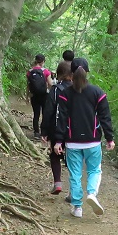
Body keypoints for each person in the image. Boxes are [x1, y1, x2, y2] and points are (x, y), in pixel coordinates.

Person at [54, 58, 115, 218]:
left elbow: (61, 118)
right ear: (87, 72)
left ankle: (77, 208)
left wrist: (58, 141)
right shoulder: (97, 92)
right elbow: (105, 117)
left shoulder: (65, 94)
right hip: (93, 141)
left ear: (71, 73)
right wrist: (109, 138)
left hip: (72, 142)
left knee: (75, 174)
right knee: (94, 170)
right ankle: (92, 193)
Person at [41, 61, 73, 194]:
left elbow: (48, 111)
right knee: (73, 159)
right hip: (73, 130)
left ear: (59, 74)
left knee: (55, 155)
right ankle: (73, 191)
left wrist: (44, 130)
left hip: (56, 128)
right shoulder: (78, 89)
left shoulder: (55, 90)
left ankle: (58, 183)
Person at [26, 54, 52, 139]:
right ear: (43, 61)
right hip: (44, 95)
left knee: (36, 114)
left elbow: (28, 85)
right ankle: (44, 132)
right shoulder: (46, 71)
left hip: (34, 96)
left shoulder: (30, 72)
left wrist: (27, 96)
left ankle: (36, 133)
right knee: (45, 114)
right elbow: (50, 84)